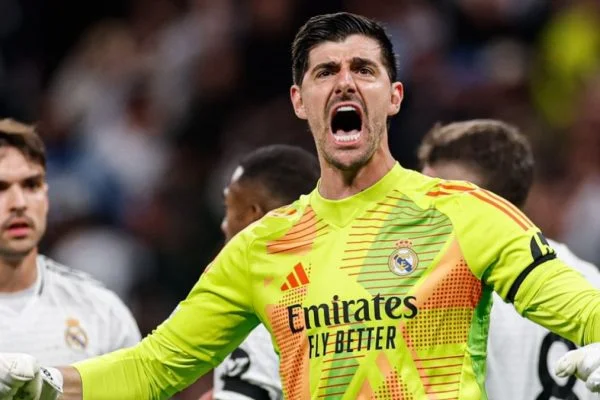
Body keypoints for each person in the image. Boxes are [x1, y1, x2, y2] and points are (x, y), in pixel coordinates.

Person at [1, 12, 600, 400]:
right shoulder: (261, 247)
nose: (345, 83)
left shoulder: (465, 213)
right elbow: (154, 366)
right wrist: (52, 381)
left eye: (363, 69)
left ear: (394, 97)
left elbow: (581, 308)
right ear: (298, 100)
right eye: (325, 72)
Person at [418, 119, 600, 400]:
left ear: (491, 205)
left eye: (441, 197)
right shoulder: (588, 277)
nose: (419, 208)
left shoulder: (450, 291)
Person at [0, 119, 141, 372]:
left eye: (31, 185)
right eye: (1, 188)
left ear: (46, 197)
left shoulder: (101, 312)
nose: (19, 203)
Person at [199, 144, 319, 400]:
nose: (224, 225)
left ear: (255, 217)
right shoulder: (347, 292)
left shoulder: (257, 311)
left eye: (230, 207)